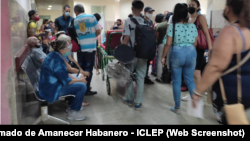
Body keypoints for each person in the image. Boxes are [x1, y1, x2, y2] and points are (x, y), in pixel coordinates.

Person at [192, 0, 250, 125]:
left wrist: (198, 93)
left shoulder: (231, 31)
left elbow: (216, 66)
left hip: (233, 92)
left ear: (228, 9)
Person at [161, 3, 198, 115]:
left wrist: (163, 57)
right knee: (190, 81)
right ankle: (196, 108)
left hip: (177, 53)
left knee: (176, 81)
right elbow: (195, 43)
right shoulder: (192, 26)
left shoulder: (173, 26)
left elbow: (168, 44)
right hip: (191, 52)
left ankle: (177, 108)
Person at [39, 39, 87, 121]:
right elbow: (66, 81)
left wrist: (78, 78)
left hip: (49, 86)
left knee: (78, 78)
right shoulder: (57, 60)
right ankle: (73, 112)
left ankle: (72, 105)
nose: (69, 49)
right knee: (82, 86)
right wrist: (80, 80)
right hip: (51, 90)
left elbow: (63, 74)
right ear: (61, 50)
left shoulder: (54, 55)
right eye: (67, 48)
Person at [182, 0, 213, 101]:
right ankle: (193, 94)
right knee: (191, 73)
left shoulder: (201, 18)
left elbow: (207, 33)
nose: (190, 6)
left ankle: (198, 96)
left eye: (193, 5)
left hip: (198, 49)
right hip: (188, 49)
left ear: (198, 7)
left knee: (196, 73)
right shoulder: (187, 18)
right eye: (189, 5)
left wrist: (210, 49)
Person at [122, 0, 147, 111]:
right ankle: (138, 103)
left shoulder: (128, 21)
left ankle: (129, 98)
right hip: (143, 54)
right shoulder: (147, 22)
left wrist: (122, 55)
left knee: (129, 76)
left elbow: (126, 38)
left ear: (132, 9)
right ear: (142, 9)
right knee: (140, 78)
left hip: (132, 53)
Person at [74, 4, 101, 96]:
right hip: (90, 47)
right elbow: (98, 31)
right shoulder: (92, 17)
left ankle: (81, 87)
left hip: (80, 48)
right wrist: (92, 38)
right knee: (88, 68)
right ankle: (86, 89)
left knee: (81, 68)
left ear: (76, 12)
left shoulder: (75, 20)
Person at [57, 35, 90, 107]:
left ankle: (75, 100)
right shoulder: (58, 58)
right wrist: (80, 79)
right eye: (68, 43)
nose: (70, 45)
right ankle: (74, 104)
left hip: (62, 77)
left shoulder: (62, 53)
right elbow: (68, 72)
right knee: (82, 84)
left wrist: (81, 70)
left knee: (81, 77)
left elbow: (72, 63)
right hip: (56, 86)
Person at [155, 13, 170, 82]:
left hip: (161, 44)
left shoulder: (160, 25)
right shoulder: (174, 25)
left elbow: (157, 36)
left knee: (160, 60)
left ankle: (159, 77)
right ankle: (168, 77)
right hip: (170, 45)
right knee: (168, 60)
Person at [144, 6, 155, 84]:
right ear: (145, 12)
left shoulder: (150, 22)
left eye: (151, 12)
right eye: (149, 12)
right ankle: (143, 77)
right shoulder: (142, 20)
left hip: (149, 43)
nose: (150, 14)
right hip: (143, 43)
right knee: (143, 61)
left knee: (148, 61)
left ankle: (146, 76)